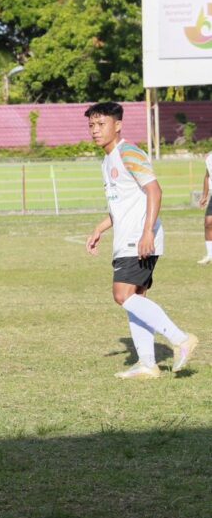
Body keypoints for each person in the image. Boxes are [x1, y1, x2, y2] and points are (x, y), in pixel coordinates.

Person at [84, 102, 197, 379]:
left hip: (139, 238)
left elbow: (154, 191)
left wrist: (147, 232)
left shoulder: (129, 152)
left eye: (101, 124)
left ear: (117, 125)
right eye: (91, 126)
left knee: (122, 296)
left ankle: (181, 339)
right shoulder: (106, 161)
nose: (95, 131)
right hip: (127, 237)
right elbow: (121, 205)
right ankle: (147, 363)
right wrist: (100, 227)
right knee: (136, 299)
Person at [198, 148, 212, 264]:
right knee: (208, 222)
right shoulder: (209, 157)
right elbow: (207, 176)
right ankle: (210, 255)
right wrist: (204, 196)